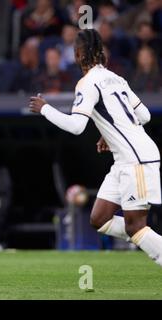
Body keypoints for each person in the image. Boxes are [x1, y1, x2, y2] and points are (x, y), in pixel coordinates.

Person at [29, 28, 162, 267]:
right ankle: (145, 237)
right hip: (126, 159)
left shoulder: (87, 83)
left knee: (135, 226)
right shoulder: (117, 78)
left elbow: (77, 126)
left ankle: (151, 242)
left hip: (137, 160)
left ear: (79, 54)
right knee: (99, 219)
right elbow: (144, 115)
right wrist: (106, 131)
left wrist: (45, 109)